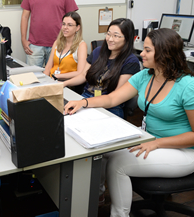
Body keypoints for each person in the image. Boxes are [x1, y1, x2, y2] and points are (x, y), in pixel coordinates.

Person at [64, 28, 194, 217]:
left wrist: (157, 143)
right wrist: (83, 102)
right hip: (152, 140)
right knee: (103, 150)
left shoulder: (187, 85)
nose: (141, 54)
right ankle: (94, 199)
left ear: (165, 53)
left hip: (182, 152)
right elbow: (111, 99)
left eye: (148, 50)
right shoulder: (145, 76)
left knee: (118, 166)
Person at [62, 18, 140, 118]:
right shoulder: (98, 51)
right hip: (86, 98)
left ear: (127, 38)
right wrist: (64, 84)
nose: (110, 39)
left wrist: (84, 102)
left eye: (116, 36)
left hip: (109, 107)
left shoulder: (131, 62)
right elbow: (83, 75)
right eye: (108, 34)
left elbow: (114, 97)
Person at [20, 0, 78, 67]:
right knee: (33, 80)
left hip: (59, 44)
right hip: (34, 46)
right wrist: (23, 39)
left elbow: (72, 19)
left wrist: (70, 42)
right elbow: (25, 16)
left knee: (53, 80)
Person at [43, 11, 87, 80]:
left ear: (77, 28)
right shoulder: (57, 42)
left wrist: (58, 76)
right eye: (63, 24)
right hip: (52, 80)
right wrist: (43, 81)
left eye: (69, 25)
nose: (65, 27)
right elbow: (48, 67)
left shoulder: (81, 45)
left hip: (67, 83)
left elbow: (80, 72)